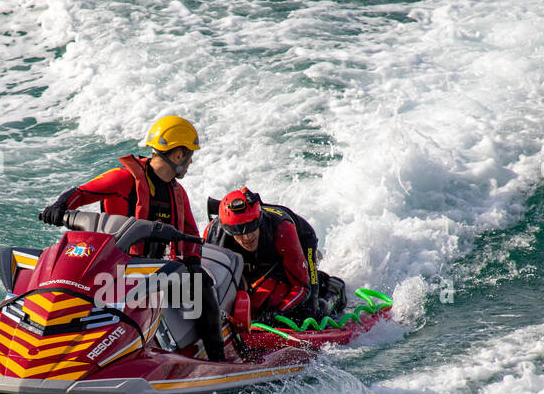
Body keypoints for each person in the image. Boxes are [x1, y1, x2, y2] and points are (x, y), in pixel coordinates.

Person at [38, 116, 227, 361]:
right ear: (178, 155)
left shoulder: (178, 193)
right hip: (110, 267)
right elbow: (82, 193)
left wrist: (192, 262)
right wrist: (60, 206)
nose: (191, 161)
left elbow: (190, 233)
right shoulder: (125, 178)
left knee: (202, 285)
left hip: (152, 272)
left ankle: (217, 360)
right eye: (190, 155)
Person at [205, 187, 338, 323]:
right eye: (237, 231)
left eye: (252, 226)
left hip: (298, 241)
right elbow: (210, 284)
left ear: (259, 220)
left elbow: (301, 287)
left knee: (310, 311)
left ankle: (334, 288)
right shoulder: (213, 234)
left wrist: (278, 312)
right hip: (261, 253)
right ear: (227, 230)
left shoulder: (283, 230)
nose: (247, 237)